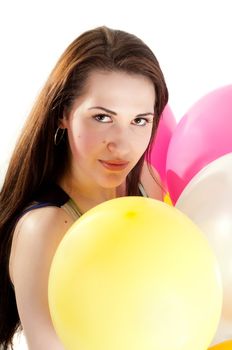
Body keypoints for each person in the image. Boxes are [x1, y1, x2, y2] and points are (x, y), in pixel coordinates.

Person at [0, 25, 168, 349]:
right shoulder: (44, 230)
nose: (121, 146)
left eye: (139, 120)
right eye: (103, 118)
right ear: (63, 113)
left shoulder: (147, 183)